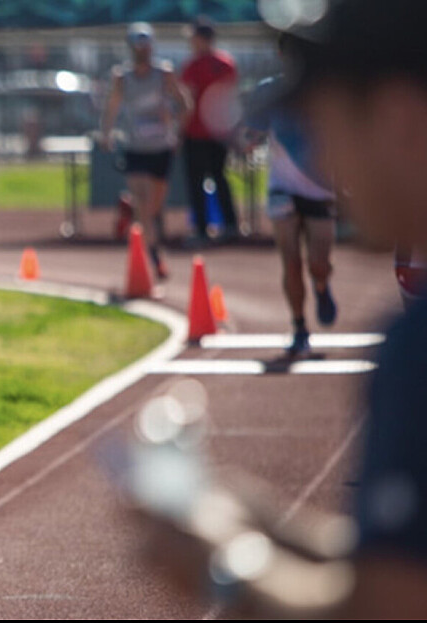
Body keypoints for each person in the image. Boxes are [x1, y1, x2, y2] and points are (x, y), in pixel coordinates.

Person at [121, 1, 427, 617]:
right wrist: (256, 522)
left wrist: (220, 567)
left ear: (398, 119)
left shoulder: (416, 353)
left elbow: (386, 605)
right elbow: (402, 560)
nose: (323, 162)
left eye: (328, 130)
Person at [242, 35, 338, 358]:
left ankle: (322, 287)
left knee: (319, 263)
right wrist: (247, 140)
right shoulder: (270, 91)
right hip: (281, 187)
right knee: (291, 262)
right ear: (282, 55)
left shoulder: (325, 88)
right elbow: (253, 131)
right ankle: (299, 326)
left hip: (320, 188)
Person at [100, 22, 191, 280]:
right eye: (138, 47)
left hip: (161, 148)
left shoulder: (164, 74)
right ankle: (155, 257)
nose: (142, 51)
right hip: (135, 148)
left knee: (153, 208)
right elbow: (112, 107)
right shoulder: (122, 77)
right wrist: (106, 133)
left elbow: (184, 103)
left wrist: (178, 130)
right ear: (131, 49)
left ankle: (129, 209)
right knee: (144, 205)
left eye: (146, 47)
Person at [180, 16, 241, 244]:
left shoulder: (194, 66)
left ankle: (202, 230)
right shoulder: (226, 63)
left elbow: (187, 101)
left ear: (201, 39)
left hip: (196, 132)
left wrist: (179, 130)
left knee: (198, 181)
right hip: (219, 132)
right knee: (219, 177)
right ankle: (230, 225)